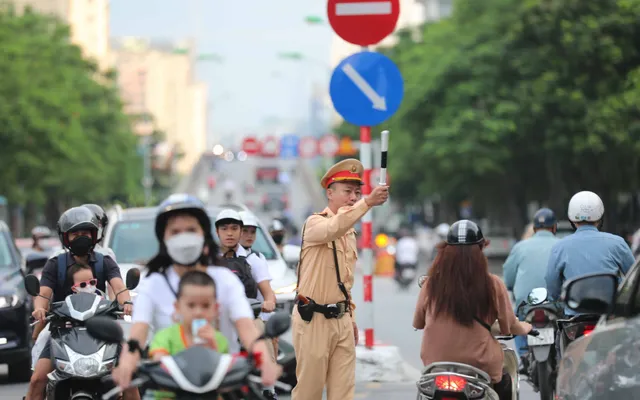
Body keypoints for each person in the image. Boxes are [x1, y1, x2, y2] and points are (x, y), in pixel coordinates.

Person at [110, 194, 280, 393]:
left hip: (222, 387)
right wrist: (127, 363)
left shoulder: (225, 280)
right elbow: (137, 337)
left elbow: (248, 331)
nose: (184, 237)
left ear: (204, 234)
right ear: (163, 237)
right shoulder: (153, 283)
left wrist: (263, 360)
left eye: (191, 230)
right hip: (168, 389)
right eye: (175, 231)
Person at [293, 158, 389, 400]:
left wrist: (351, 318)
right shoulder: (314, 224)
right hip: (313, 319)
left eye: (357, 193)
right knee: (309, 392)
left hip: (342, 320)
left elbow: (345, 282)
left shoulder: (349, 232)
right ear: (329, 193)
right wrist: (368, 202)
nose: (353, 198)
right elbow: (333, 228)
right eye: (347, 192)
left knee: (343, 393)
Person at [413, 220, 533, 400]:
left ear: (446, 251)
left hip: (436, 365)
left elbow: (418, 322)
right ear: (480, 250)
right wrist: (527, 327)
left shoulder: (430, 284)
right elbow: (508, 326)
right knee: (505, 381)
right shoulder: (493, 284)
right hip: (479, 366)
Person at [27, 206, 135, 400]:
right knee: (37, 379)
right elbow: (42, 295)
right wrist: (39, 310)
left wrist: (126, 302)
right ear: (65, 237)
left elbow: (119, 287)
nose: (80, 237)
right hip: (62, 332)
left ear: (95, 235)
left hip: (102, 332)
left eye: (85, 232)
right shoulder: (55, 264)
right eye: (74, 233)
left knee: (130, 380)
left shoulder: (106, 262)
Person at [216, 208, 278, 399]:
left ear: (240, 232)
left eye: (234, 228)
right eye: (224, 228)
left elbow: (269, 293)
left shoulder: (254, 261)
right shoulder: (207, 259)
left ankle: (269, 387)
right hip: (216, 320)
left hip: (248, 318)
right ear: (217, 232)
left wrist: (268, 302)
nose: (229, 233)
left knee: (263, 336)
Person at [545, 191, 635, 312]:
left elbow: (552, 285)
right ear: (600, 216)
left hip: (574, 318)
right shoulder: (617, 243)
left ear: (572, 219)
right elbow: (634, 278)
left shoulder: (559, 247)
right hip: (609, 315)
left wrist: (555, 300)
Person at [148, 270, 229, 399]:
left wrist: (213, 348)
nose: (198, 312)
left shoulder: (219, 340)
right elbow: (159, 362)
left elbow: (225, 378)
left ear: (216, 308)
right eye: (191, 305)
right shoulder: (165, 337)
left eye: (206, 306)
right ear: (177, 307)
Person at [503, 208, 559, 367]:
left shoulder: (520, 247)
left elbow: (508, 277)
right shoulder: (562, 245)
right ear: (554, 227)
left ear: (534, 229)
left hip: (526, 303)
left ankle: (524, 355)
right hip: (555, 303)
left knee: (516, 321)